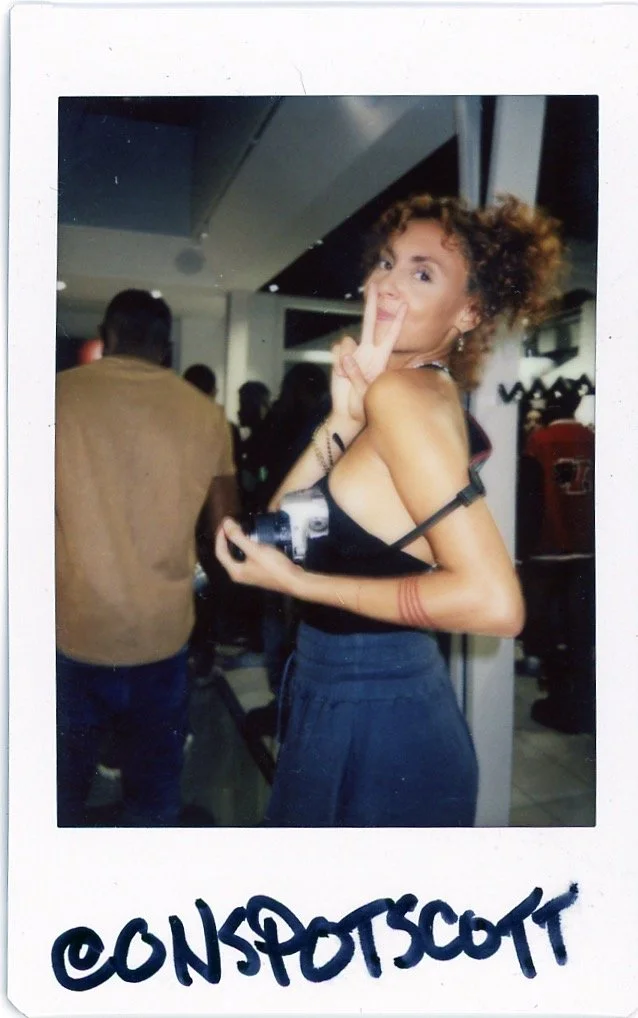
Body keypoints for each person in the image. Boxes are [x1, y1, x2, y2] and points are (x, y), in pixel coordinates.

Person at [215, 194, 564, 827]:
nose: (387, 284)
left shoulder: (405, 395)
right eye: (386, 262)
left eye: (421, 273)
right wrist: (344, 416)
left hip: (375, 709)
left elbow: (495, 604)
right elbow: (284, 525)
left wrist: (302, 585)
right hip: (351, 690)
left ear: (469, 312)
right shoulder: (404, 393)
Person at [56, 289, 236, 826]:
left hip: (73, 630)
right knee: (154, 794)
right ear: (166, 347)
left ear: (107, 336)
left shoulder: (55, 397)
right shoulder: (206, 415)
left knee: (59, 793)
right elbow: (227, 533)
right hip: (161, 635)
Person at [520, 388, 595, 733]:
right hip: (586, 548)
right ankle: (580, 703)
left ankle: (559, 700)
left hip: (547, 547)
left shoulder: (540, 441)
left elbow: (530, 496)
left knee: (548, 628)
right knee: (580, 630)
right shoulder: (591, 438)